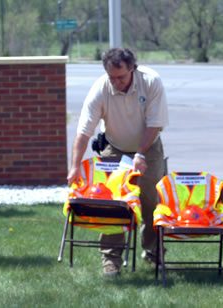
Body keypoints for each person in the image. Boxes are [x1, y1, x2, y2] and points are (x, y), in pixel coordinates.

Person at [67, 47, 169, 276]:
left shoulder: (151, 82)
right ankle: (111, 259)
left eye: (120, 77)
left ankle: (153, 253)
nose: (116, 82)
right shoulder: (100, 89)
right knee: (112, 203)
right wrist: (74, 166)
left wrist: (141, 154)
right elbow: (83, 133)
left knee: (151, 201)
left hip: (149, 147)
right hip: (114, 147)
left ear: (132, 67)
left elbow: (154, 124)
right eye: (111, 77)